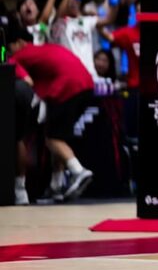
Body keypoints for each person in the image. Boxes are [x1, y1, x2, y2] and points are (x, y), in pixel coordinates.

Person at [8, 27, 95, 201]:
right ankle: (55, 187)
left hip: (67, 87)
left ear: (19, 43)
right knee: (58, 136)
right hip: (87, 86)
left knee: (52, 139)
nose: (9, 52)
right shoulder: (45, 49)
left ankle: (79, 171)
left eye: (9, 47)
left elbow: (27, 81)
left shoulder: (18, 56)